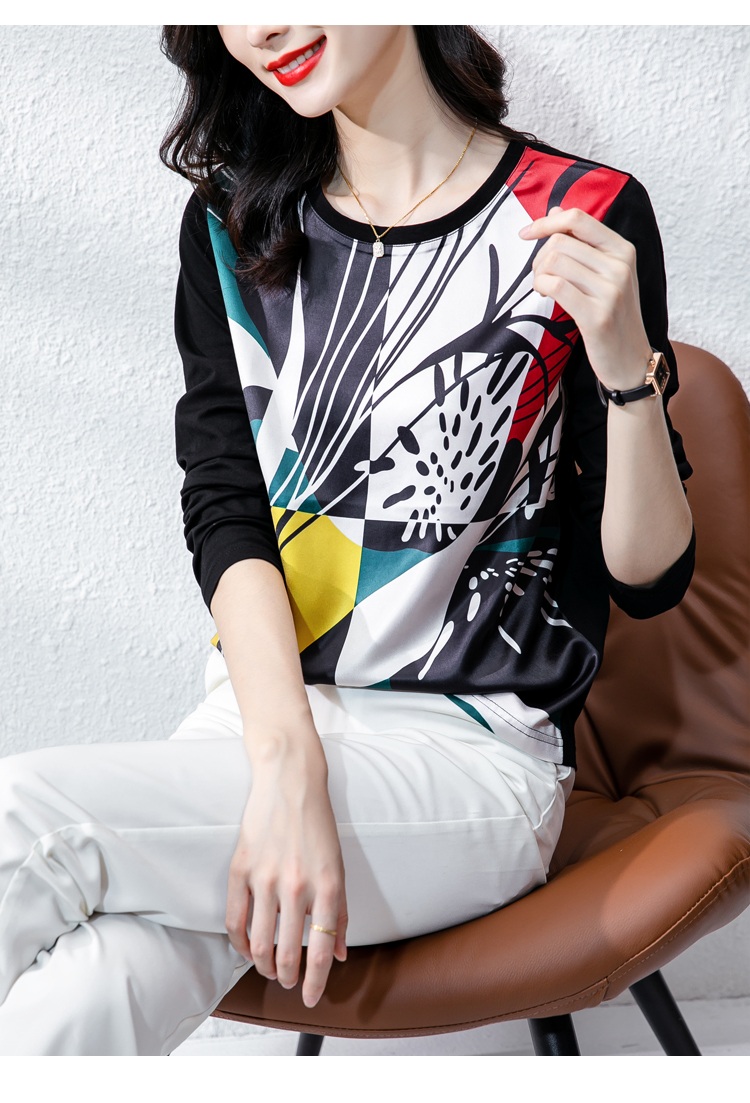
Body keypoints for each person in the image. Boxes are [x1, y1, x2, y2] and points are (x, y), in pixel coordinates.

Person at [0, 25, 695, 1056]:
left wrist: (629, 372)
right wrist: (288, 763)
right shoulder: (234, 222)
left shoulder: (580, 212)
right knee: (98, 982)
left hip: (468, 757)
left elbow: (650, 576)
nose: (262, 25)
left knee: (26, 820)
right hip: (257, 725)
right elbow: (227, 507)